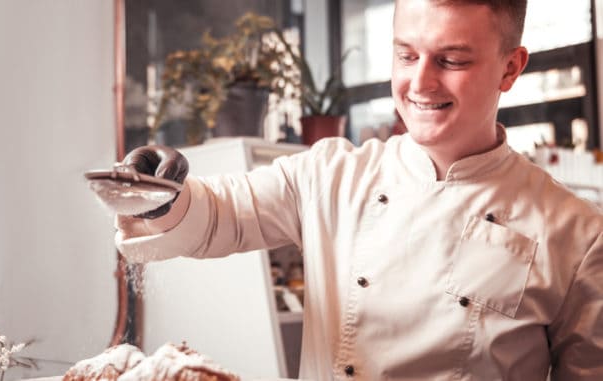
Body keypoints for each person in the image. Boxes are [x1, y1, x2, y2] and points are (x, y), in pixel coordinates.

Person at [111, 1, 603, 380]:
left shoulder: (577, 233)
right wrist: (163, 192)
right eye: (406, 54)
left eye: (451, 60)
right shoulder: (332, 175)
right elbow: (218, 214)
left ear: (511, 68)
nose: (420, 81)